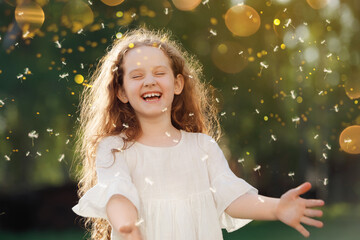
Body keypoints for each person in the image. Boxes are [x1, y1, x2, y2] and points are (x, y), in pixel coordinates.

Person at [72, 28, 324, 240]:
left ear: (178, 84)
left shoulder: (202, 147)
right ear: (122, 92)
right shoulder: (115, 148)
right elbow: (117, 193)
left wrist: (277, 207)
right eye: (137, 76)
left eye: (159, 73)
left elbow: (231, 198)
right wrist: (128, 226)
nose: (149, 81)